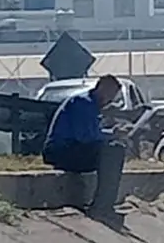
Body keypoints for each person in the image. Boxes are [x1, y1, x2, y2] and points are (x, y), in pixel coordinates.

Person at [42, 75, 127, 223]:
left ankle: (105, 204)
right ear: (102, 89)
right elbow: (85, 137)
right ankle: (102, 206)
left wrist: (110, 134)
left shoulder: (90, 105)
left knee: (114, 149)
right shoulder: (83, 103)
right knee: (113, 151)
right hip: (61, 151)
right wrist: (112, 135)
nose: (111, 101)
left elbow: (91, 135)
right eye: (111, 96)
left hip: (72, 149)